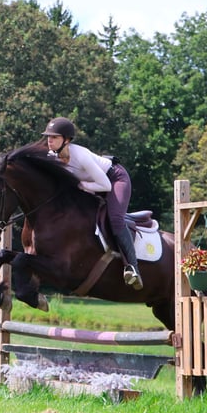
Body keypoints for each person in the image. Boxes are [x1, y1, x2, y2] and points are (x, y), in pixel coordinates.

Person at [41, 117, 143, 290]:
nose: (49, 140)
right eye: (48, 137)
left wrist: (81, 185)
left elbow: (106, 186)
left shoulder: (80, 155)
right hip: (93, 185)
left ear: (67, 140)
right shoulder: (52, 157)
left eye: (54, 137)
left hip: (115, 179)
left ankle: (132, 267)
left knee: (115, 219)